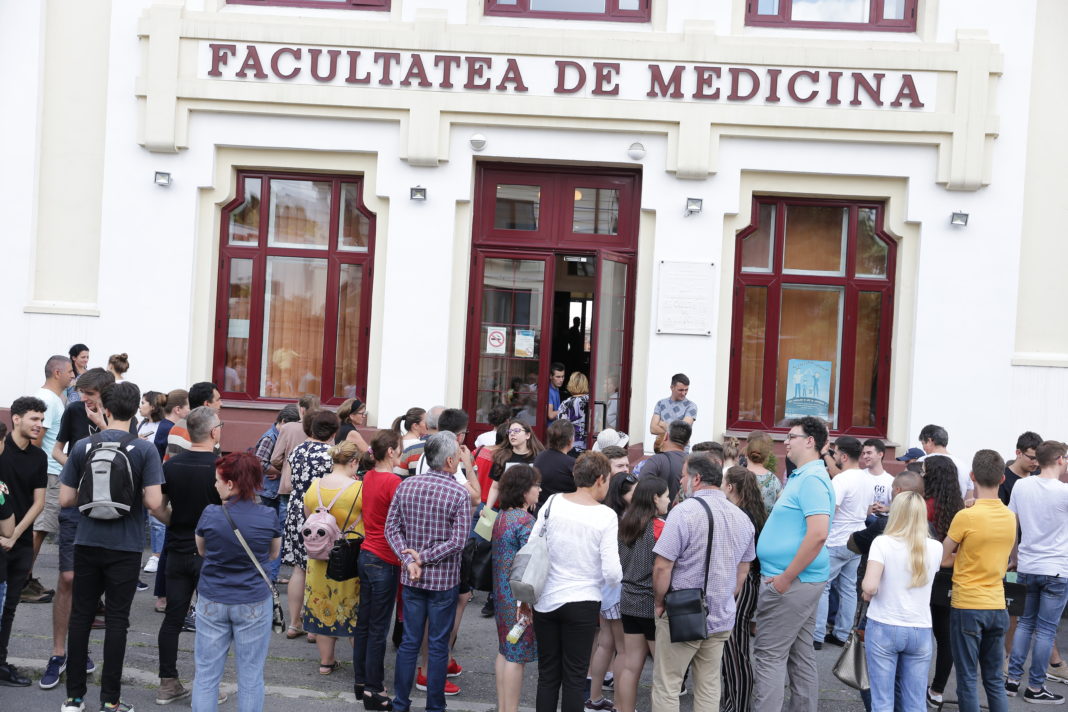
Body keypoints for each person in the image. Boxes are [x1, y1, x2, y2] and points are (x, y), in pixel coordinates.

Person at [58, 382, 169, 712]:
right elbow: (154, 502)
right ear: (135, 410)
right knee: (117, 621)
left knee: (80, 617)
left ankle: (74, 698)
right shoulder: (145, 450)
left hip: (87, 540)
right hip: (126, 545)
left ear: (104, 409)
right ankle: (110, 701)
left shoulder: (83, 446)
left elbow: (65, 499)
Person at [651, 455, 755, 712]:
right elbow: (743, 570)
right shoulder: (742, 518)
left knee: (668, 684)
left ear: (696, 479)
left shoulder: (683, 512)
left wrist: (659, 602)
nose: (681, 481)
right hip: (720, 613)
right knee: (709, 685)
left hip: (682, 612)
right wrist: (726, 595)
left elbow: (663, 566)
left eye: (683, 476)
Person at [41, 368, 121, 690]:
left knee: (92, 582)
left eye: (89, 394)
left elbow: (129, 449)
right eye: (81, 392)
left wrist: (103, 425)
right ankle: (58, 652)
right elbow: (56, 449)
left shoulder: (120, 415)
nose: (82, 398)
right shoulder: (74, 410)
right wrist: (75, 468)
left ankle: (79, 649)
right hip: (75, 501)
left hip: (108, 506)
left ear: (105, 394)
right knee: (67, 577)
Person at [751, 416, 834, 712]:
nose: (785, 442)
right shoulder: (804, 476)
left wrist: (786, 577)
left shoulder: (811, 479)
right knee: (800, 655)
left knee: (769, 656)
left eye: (791, 436)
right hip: (797, 580)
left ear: (810, 441)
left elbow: (818, 533)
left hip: (792, 582)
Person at [385, 432, 471, 712]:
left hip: (412, 577)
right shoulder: (459, 492)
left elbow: (391, 529)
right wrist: (423, 557)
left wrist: (409, 559)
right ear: (450, 461)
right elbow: (458, 542)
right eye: (457, 455)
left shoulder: (406, 485)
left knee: (409, 642)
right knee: (437, 644)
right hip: (443, 581)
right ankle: (435, 706)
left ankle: (401, 703)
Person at [191, 452, 281, 712]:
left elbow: (202, 550)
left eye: (218, 480)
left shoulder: (210, 514)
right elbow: (273, 554)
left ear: (230, 484)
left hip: (213, 598)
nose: (215, 484)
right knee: (251, 675)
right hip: (253, 600)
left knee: (206, 675)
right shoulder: (268, 516)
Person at [532, 452, 621, 712]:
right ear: (600, 479)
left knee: (547, 674)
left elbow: (532, 545)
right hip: (583, 601)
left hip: (545, 597)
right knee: (574, 676)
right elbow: (612, 572)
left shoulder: (552, 502)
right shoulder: (606, 516)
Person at [155, 406, 222, 704]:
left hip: (178, 547)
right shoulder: (221, 467)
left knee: (173, 618)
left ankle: (167, 683)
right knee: (212, 623)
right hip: (212, 552)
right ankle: (208, 687)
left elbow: (156, 506)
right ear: (213, 432)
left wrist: (176, 521)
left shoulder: (171, 466)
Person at [940, 450, 1016, 712]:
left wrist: (963, 556)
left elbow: (942, 557)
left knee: (967, 679)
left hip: (968, 604)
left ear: (972, 476)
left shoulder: (966, 516)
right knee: (994, 680)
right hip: (997, 604)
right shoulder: (1009, 517)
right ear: (1002, 478)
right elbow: (1007, 557)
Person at [859, 491, 941, 712]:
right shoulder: (935, 547)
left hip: (884, 623)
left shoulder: (883, 542)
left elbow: (870, 587)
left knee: (882, 701)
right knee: (915, 701)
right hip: (920, 627)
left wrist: (866, 592)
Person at [1004, 440, 1068, 704]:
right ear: (1060, 459)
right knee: (1045, 630)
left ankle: (1012, 680)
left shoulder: (1022, 486)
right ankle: (1036, 687)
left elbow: (1012, 524)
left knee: (1025, 624)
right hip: (1056, 569)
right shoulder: (1064, 492)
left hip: (1028, 565)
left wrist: (1014, 557)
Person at [302, 440, 364, 674]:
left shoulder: (315, 486)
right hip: (348, 556)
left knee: (322, 604)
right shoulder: (359, 489)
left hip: (319, 557)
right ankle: (361, 664)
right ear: (354, 462)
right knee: (353, 608)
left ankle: (326, 662)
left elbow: (308, 516)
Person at [354, 430, 404, 711]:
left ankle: (362, 681)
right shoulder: (393, 482)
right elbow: (401, 521)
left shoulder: (369, 477)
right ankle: (375, 688)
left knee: (364, 622)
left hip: (366, 553)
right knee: (378, 627)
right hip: (385, 558)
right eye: (400, 449)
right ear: (391, 452)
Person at [0, 397, 48, 687]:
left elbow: (39, 502)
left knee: (10, 607)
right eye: (34, 419)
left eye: (41, 420)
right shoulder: (1, 450)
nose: (39, 425)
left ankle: (1, 663)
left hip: (19, 543)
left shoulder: (39, 457)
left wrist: (15, 535)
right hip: (1, 540)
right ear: (16, 419)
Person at [281, 409, 339, 639]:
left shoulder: (298, 450)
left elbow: (288, 483)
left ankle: (294, 623)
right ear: (333, 432)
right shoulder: (332, 454)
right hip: (321, 513)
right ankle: (315, 626)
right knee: (320, 568)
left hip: (297, 510)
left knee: (299, 568)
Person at [613, 477, 669, 712]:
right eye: (666, 496)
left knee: (630, 665)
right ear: (655, 498)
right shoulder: (659, 527)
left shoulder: (626, 523)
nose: (669, 501)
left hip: (628, 598)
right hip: (652, 602)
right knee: (662, 671)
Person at [814, 436, 873, 649]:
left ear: (844, 456)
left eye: (836, 452)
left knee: (823, 586)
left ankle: (817, 635)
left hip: (837, 539)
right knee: (848, 587)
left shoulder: (841, 480)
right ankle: (842, 634)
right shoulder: (867, 479)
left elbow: (832, 510)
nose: (835, 456)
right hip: (857, 539)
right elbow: (868, 510)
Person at [491, 464, 541, 712]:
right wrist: (526, 603)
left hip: (502, 595)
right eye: (536, 485)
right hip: (518, 598)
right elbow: (530, 563)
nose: (539, 490)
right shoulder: (525, 521)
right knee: (516, 656)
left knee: (505, 650)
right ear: (524, 491)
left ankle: (504, 708)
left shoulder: (502, 516)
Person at [26, 355, 74, 604]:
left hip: (51, 472)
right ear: (57, 373)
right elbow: (35, 438)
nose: (73, 376)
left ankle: (25, 578)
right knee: (39, 528)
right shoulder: (49, 400)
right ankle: (22, 583)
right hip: (48, 474)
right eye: (70, 372)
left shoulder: (53, 398)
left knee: (40, 528)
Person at [720, 466, 768, 712]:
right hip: (749, 580)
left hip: (744, 581)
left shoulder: (740, 515)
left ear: (730, 487)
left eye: (723, 483)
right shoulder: (752, 511)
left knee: (735, 648)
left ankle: (737, 705)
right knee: (734, 647)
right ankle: (733, 703)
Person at [921, 454, 965, 707]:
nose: (922, 474)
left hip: (925, 572)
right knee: (945, 636)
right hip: (949, 576)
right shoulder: (960, 508)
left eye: (925, 471)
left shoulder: (925, 505)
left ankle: (914, 685)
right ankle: (937, 691)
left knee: (920, 632)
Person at [253, 404, 300, 582]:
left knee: (275, 534)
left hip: (275, 491)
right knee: (274, 534)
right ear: (283, 421)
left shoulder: (279, 435)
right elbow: (259, 463)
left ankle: (270, 574)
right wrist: (281, 471)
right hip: (269, 492)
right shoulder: (270, 437)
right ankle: (269, 576)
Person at [139, 391, 167, 575]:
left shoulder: (163, 426)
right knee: (140, 517)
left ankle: (157, 555)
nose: (140, 406)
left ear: (153, 407)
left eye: (143, 403)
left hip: (155, 476)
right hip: (139, 476)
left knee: (156, 518)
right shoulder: (141, 423)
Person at [485, 419, 543, 510]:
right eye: (510, 431)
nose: (512, 434)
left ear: (528, 435)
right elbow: (495, 487)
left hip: (531, 510)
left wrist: (535, 497)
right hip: (508, 509)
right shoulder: (502, 457)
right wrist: (487, 509)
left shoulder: (538, 457)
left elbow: (542, 483)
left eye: (516, 431)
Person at [164, 382, 222, 461]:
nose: (221, 403)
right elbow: (218, 465)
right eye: (218, 400)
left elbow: (167, 462)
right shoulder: (206, 432)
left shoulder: (175, 428)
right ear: (206, 404)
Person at [917, 424, 973, 504]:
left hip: (926, 509)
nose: (923, 448)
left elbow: (912, 489)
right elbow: (969, 500)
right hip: (957, 510)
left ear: (929, 441)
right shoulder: (964, 466)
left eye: (923, 443)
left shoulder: (922, 461)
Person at [639, 420, 690, 505]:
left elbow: (641, 490)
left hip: (656, 511)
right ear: (688, 442)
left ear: (666, 436)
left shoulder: (656, 461)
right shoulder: (693, 463)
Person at [533, 420, 577, 509]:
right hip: (563, 510)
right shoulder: (572, 463)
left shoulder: (539, 457)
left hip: (541, 509)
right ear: (570, 440)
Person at [999, 430, 1042, 506]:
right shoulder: (1002, 479)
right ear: (1018, 453)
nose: (1037, 463)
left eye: (1039, 458)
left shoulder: (1040, 475)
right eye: (1032, 458)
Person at [648, 373, 697, 438]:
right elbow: (653, 429)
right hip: (661, 444)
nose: (684, 393)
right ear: (672, 387)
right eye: (680, 390)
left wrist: (663, 424)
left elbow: (682, 431)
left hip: (679, 445)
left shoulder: (691, 406)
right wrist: (674, 430)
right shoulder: (660, 403)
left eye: (686, 390)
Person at [744, 431, 780, 515]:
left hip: (741, 523)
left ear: (746, 451)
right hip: (767, 523)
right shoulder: (774, 480)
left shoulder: (737, 476)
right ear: (767, 455)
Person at [557, 373, 591, 455]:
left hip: (572, 447)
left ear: (571, 384)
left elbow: (561, 426)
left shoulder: (566, 403)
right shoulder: (592, 401)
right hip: (590, 445)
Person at [153, 389, 189, 461]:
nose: (190, 410)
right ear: (178, 409)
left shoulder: (165, 424)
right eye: (189, 407)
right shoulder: (171, 429)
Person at [862, 438, 894, 514]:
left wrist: (886, 509)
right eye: (864, 453)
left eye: (869, 453)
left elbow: (899, 506)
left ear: (880, 454)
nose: (865, 456)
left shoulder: (890, 480)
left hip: (882, 519)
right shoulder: (859, 476)